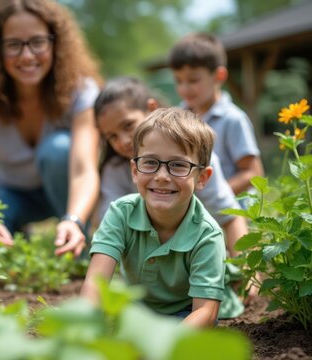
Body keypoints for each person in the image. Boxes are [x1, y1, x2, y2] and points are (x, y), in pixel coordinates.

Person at [0, 0, 102, 256]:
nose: (27, 55)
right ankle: (15, 230)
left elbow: (84, 171)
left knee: (59, 150)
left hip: (66, 192)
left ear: (55, 42)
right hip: (7, 192)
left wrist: (74, 219)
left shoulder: (81, 90)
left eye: (38, 42)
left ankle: (77, 240)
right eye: (13, 45)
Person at [81, 107, 231, 328]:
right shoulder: (121, 213)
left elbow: (206, 311)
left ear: (202, 178)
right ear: (135, 170)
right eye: (150, 163)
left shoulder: (207, 235)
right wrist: (82, 328)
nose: (161, 177)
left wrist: (164, 344)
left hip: (183, 314)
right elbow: (95, 283)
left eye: (178, 165)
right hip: (134, 309)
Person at [95, 77, 247, 260]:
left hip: (197, 256)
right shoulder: (115, 170)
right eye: (112, 136)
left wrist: (246, 269)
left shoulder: (194, 159)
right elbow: (108, 226)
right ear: (134, 170)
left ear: (151, 108)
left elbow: (229, 216)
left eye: (128, 125)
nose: (123, 141)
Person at [168, 32, 264, 197]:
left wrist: (215, 196)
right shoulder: (177, 117)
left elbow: (253, 173)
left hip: (229, 212)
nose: (184, 88)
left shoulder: (232, 119)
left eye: (193, 80)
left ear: (219, 76)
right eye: (178, 81)